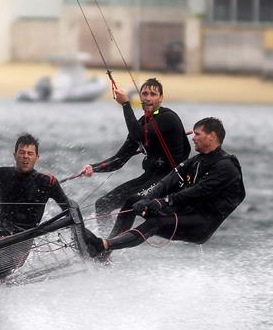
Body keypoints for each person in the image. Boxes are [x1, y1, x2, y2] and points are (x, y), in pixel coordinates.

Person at [83, 117, 245, 256]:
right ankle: (105, 251)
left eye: (197, 134)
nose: (193, 137)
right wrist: (147, 199)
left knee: (156, 223)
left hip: (202, 224)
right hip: (183, 212)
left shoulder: (226, 166)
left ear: (212, 136)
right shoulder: (197, 161)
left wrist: (163, 202)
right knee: (133, 201)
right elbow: (169, 181)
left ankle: (102, 246)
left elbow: (199, 191)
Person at [80, 77, 190, 238]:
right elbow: (119, 159)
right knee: (103, 204)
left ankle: (109, 247)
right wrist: (93, 167)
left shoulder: (168, 118)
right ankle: (105, 242)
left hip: (168, 181)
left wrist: (125, 104)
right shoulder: (142, 123)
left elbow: (138, 134)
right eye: (144, 93)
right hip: (148, 178)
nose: (148, 97)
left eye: (153, 94)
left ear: (161, 98)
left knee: (131, 202)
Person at [0, 134, 69, 276]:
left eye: (30, 153)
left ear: (37, 157)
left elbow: (69, 211)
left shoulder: (48, 182)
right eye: (22, 153)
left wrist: (93, 242)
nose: (25, 156)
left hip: (22, 241)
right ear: (15, 155)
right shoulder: (3, 174)